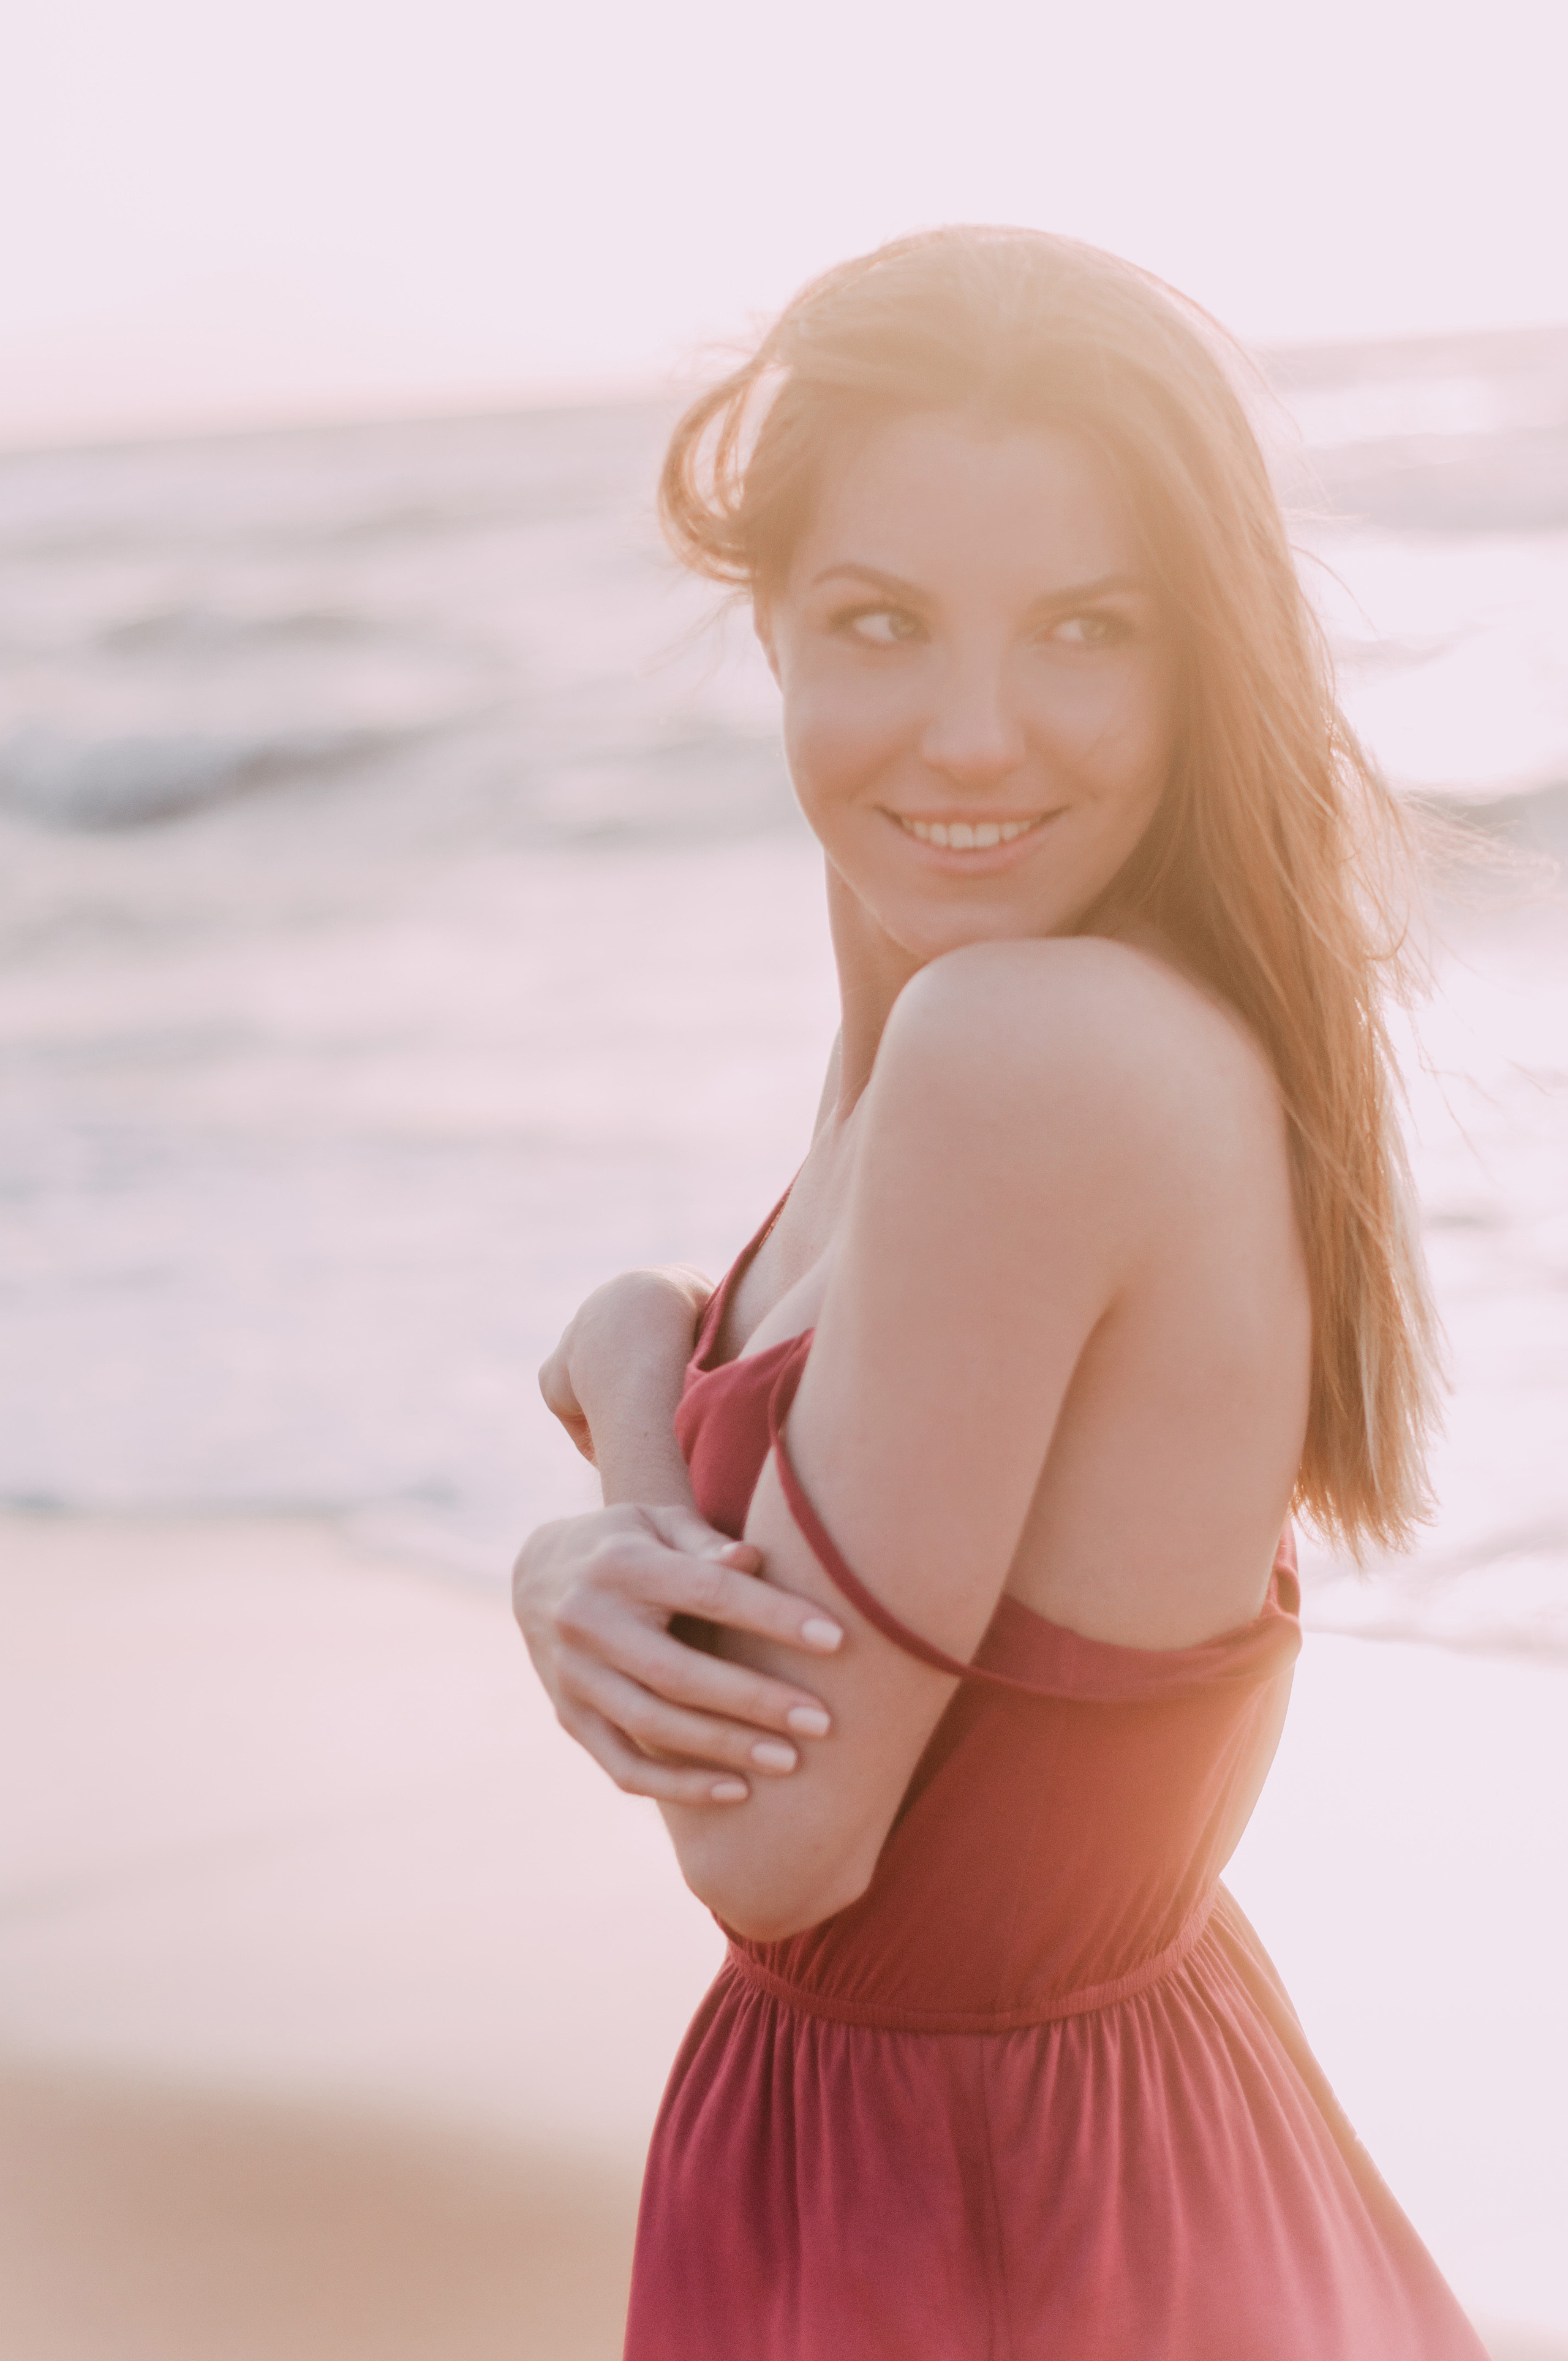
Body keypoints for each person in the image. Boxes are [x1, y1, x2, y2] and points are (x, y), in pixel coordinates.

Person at [513, 229, 1486, 2359]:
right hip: (1090, 2142)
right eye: (879, 624)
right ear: (769, 626)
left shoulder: (1022, 1049)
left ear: (1193, 656)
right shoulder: (979, 1026)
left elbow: (773, 1847)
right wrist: (623, 1402)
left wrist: (616, 1415)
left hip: (977, 2216)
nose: (974, 737)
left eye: (1083, 631)